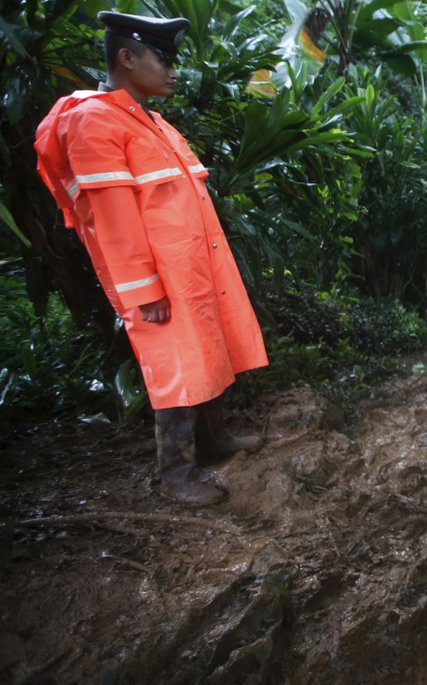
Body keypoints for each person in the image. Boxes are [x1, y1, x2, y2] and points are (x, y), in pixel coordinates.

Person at [34, 11, 268, 507]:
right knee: (175, 366)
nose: (173, 70)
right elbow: (112, 221)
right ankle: (177, 474)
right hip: (159, 279)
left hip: (191, 269)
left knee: (204, 351)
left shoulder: (150, 121)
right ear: (127, 57)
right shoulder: (91, 120)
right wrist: (145, 290)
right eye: (163, 59)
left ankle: (215, 442)